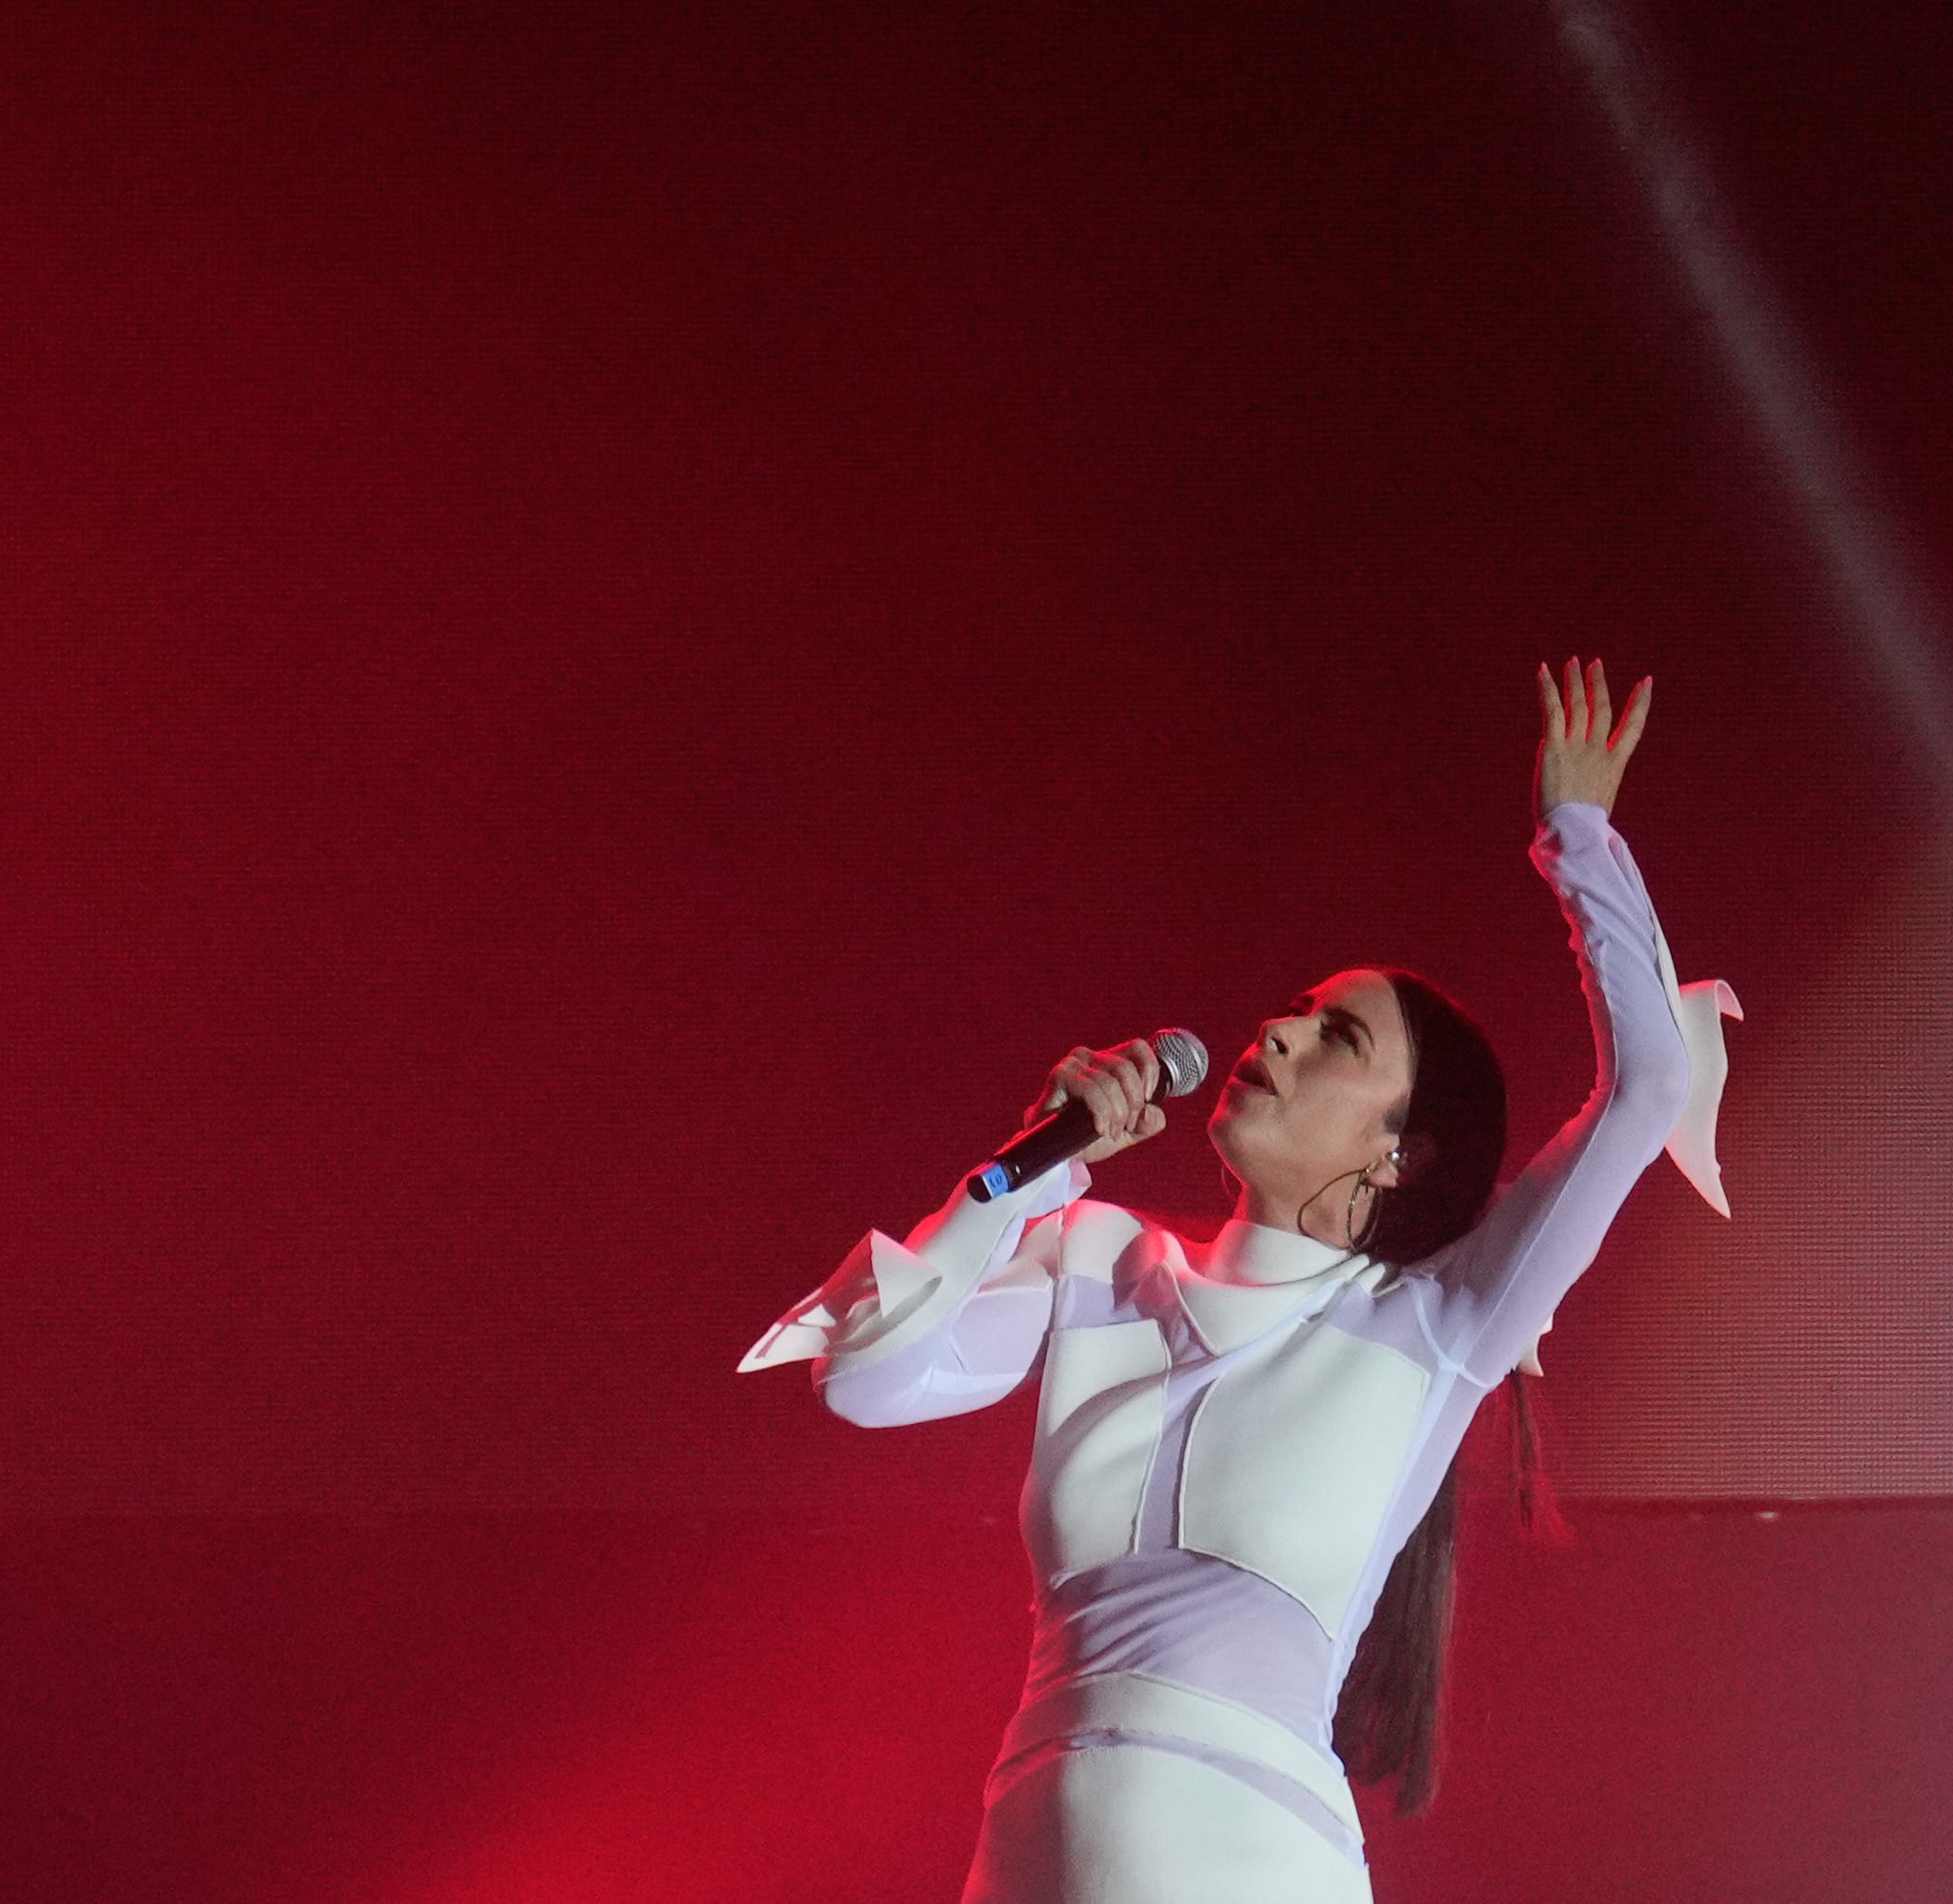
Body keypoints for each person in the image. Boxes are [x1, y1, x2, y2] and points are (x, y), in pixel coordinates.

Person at [739, 661, 1735, 1902]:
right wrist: (1019, 1178)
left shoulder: (1431, 1328)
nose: (1275, 1038)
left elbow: (1644, 1087)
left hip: (1250, 1855)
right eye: (1288, 1016)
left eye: (1337, 1039)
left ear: (1400, 1147)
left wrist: (1576, 833)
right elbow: (868, 1380)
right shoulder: (1095, 1256)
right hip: (1031, 1846)